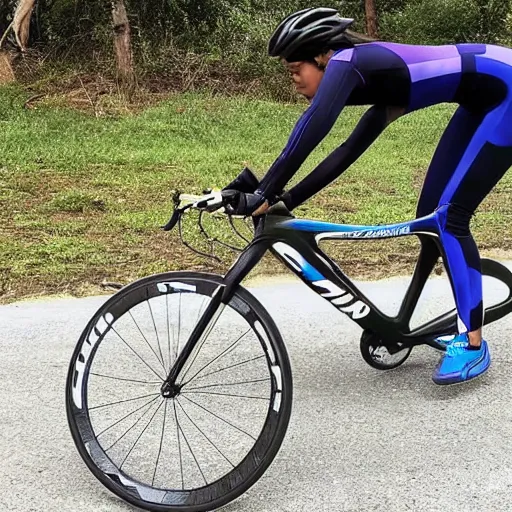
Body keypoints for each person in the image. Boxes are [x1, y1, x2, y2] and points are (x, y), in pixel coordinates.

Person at [223, 7, 512, 385]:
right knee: (429, 214)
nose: (293, 80)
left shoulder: (347, 62)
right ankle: (422, 321)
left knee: (450, 217)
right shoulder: (377, 78)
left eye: (296, 70)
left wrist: (264, 191)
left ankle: (472, 343)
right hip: (484, 94)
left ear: (323, 56)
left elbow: (315, 124)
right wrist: (285, 200)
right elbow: (347, 150)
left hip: (507, 91)